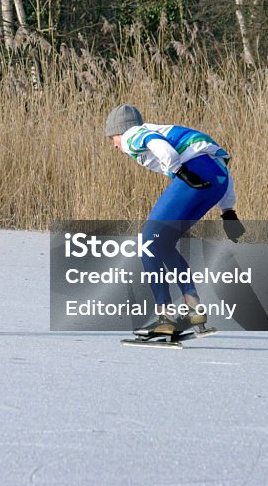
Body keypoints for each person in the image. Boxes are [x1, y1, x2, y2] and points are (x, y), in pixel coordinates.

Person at [104, 104, 245, 336]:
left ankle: (165, 317)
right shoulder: (164, 129)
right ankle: (194, 309)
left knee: (148, 244)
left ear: (121, 130)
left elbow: (160, 147)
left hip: (194, 172)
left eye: (113, 138)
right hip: (218, 181)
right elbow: (221, 168)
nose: (114, 145)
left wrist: (179, 170)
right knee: (164, 244)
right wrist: (228, 211)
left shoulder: (132, 134)